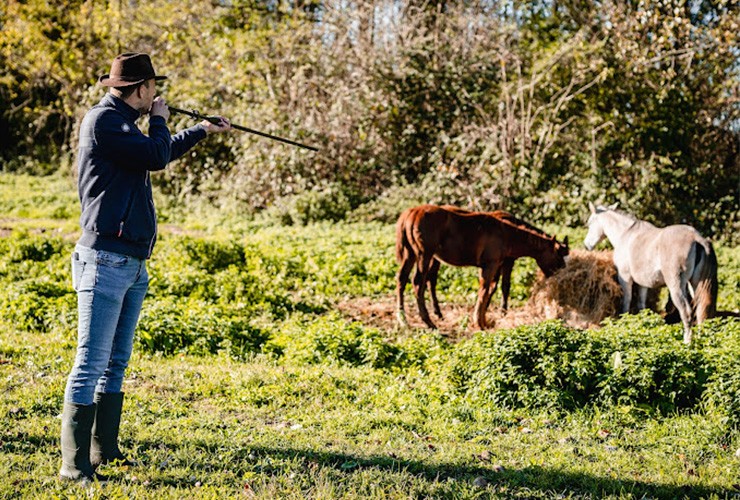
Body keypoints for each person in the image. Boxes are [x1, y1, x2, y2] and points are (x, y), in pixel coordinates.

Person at [60, 52, 231, 483]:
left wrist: (200, 130)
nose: (158, 94)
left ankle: (105, 450)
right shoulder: (103, 121)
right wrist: (160, 117)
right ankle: (73, 466)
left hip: (132, 261)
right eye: (153, 88)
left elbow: (159, 149)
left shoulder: (124, 126)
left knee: (116, 363)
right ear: (140, 90)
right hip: (105, 259)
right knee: (90, 362)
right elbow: (156, 155)